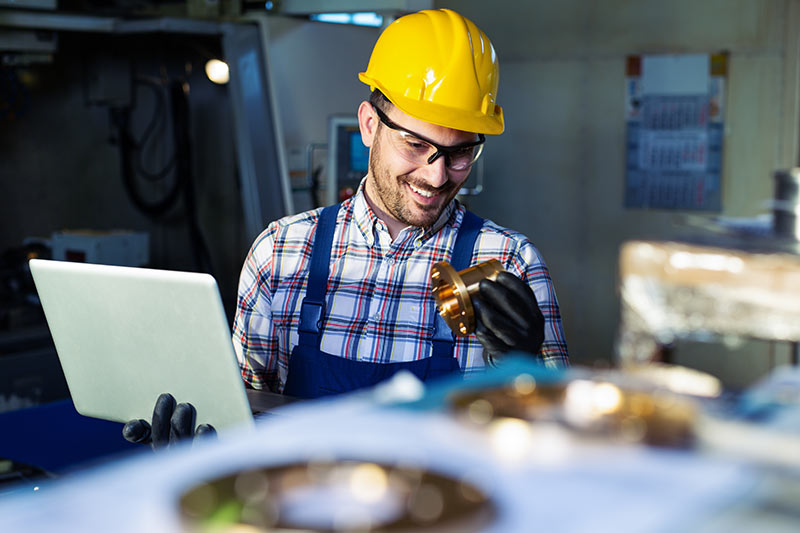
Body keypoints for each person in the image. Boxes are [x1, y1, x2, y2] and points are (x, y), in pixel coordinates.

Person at [124, 7, 568, 446]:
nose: (436, 176)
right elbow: (239, 416)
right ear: (370, 125)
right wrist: (197, 442)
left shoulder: (510, 261)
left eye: (459, 154)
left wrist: (526, 372)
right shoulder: (281, 252)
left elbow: (561, 452)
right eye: (416, 145)